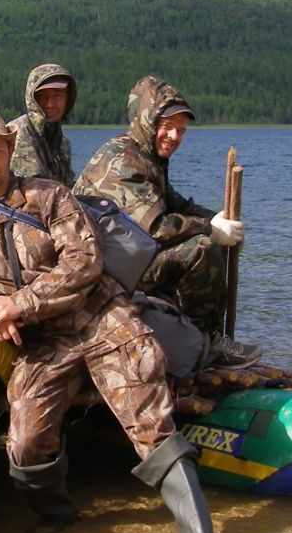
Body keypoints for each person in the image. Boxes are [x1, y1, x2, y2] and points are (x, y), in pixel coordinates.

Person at [0, 110, 232, 533]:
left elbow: (83, 262)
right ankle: (58, 518)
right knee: (27, 441)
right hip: (41, 343)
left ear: (10, 151)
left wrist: (20, 303)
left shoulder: (49, 196)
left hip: (100, 318)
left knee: (149, 416)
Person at [73, 76, 257, 366]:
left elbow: (175, 203)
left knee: (204, 240)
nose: (174, 137)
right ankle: (205, 344)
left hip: (124, 256)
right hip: (102, 266)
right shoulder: (122, 159)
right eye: (168, 127)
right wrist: (211, 229)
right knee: (201, 249)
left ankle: (184, 329)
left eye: (181, 131)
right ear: (148, 122)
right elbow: (155, 226)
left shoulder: (146, 156)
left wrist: (218, 219)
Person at [8, 64, 77, 187]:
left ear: (68, 98)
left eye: (57, 96)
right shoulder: (18, 133)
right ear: (31, 99)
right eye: (41, 96)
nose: (50, 104)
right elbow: (34, 190)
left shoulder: (62, 142)